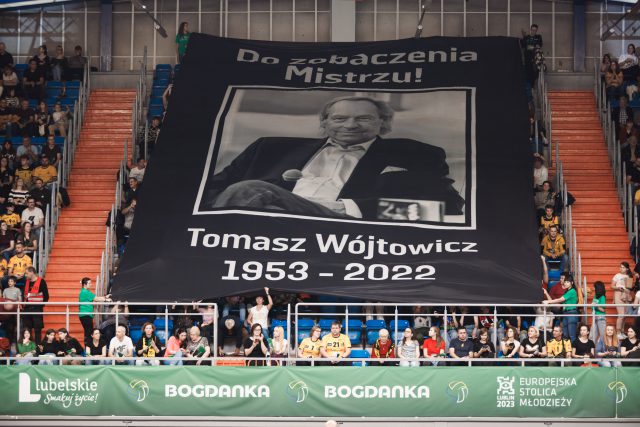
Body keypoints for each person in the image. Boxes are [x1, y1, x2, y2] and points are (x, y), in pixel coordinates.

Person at [202, 96, 464, 219]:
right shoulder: (269, 148)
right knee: (256, 200)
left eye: (363, 118)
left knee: (250, 190)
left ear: (383, 124)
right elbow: (210, 189)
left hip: (340, 225)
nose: (350, 125)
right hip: (272, 223)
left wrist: (355, 208)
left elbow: (443, 209)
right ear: (324, 123)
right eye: (339, 118)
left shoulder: (416, 154)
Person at [543, 274, 579, 341]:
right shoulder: (567, 292)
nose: (565, 283)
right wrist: (547, 297)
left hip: (571, 313)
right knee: (565, 335)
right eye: (565, 282)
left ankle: (573, 351)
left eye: (567, 282)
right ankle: (567, 350)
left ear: (572, 283)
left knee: (572, 335)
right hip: (565, 313)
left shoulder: (572, 291)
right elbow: (559, 303)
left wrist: (548, 302)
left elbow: (560, 300)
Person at [79, 277, 112, 344]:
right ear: (85, 284)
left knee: (88, 332)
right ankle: (87, 350)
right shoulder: (85, 292)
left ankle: (87, 349)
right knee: (89, 333)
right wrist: (106, 299)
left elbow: (95, 298)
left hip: (86, 315)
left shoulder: (85, 292)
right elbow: (96, 299)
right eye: (89, 283)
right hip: (86, 315)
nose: (91, 284)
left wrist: (105, 297)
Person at [22, 266, 47, 346]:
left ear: (32, 272)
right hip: (27, 309)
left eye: (27, 273)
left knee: (37, 330)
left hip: (37, 308)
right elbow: (25, 295)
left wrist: (40, 306)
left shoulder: (41, 281)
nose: (25, 275)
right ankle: (28, 347)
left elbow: (46, 296)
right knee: (27, 330)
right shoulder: (26, 282)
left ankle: (37, 347)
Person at [611, 262, 634, 338]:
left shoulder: (629, 276)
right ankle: (618, 332)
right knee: (621, 315)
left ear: (627, 268)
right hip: (618, 293)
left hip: (626, 294)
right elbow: (612, 286)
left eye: (623, 267)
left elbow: (630, 287)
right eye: (620, 267)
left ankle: (622, 331)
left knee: (625, 315)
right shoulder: (617, 275)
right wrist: (618, 288)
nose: (621, 268)